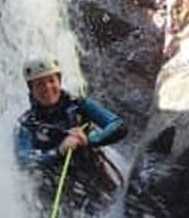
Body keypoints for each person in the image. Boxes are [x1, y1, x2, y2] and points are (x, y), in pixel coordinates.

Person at [15, 54, 126, 188]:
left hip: (95, 180)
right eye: (39, 84)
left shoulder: (80, 105)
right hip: (54, 190)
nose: (47, 88)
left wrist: (89, 140)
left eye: (51, 80)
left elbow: (118, 125)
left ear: (59, 82)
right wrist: (59, 151)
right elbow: (24, 160)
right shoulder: (27, 124)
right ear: (31, 89)